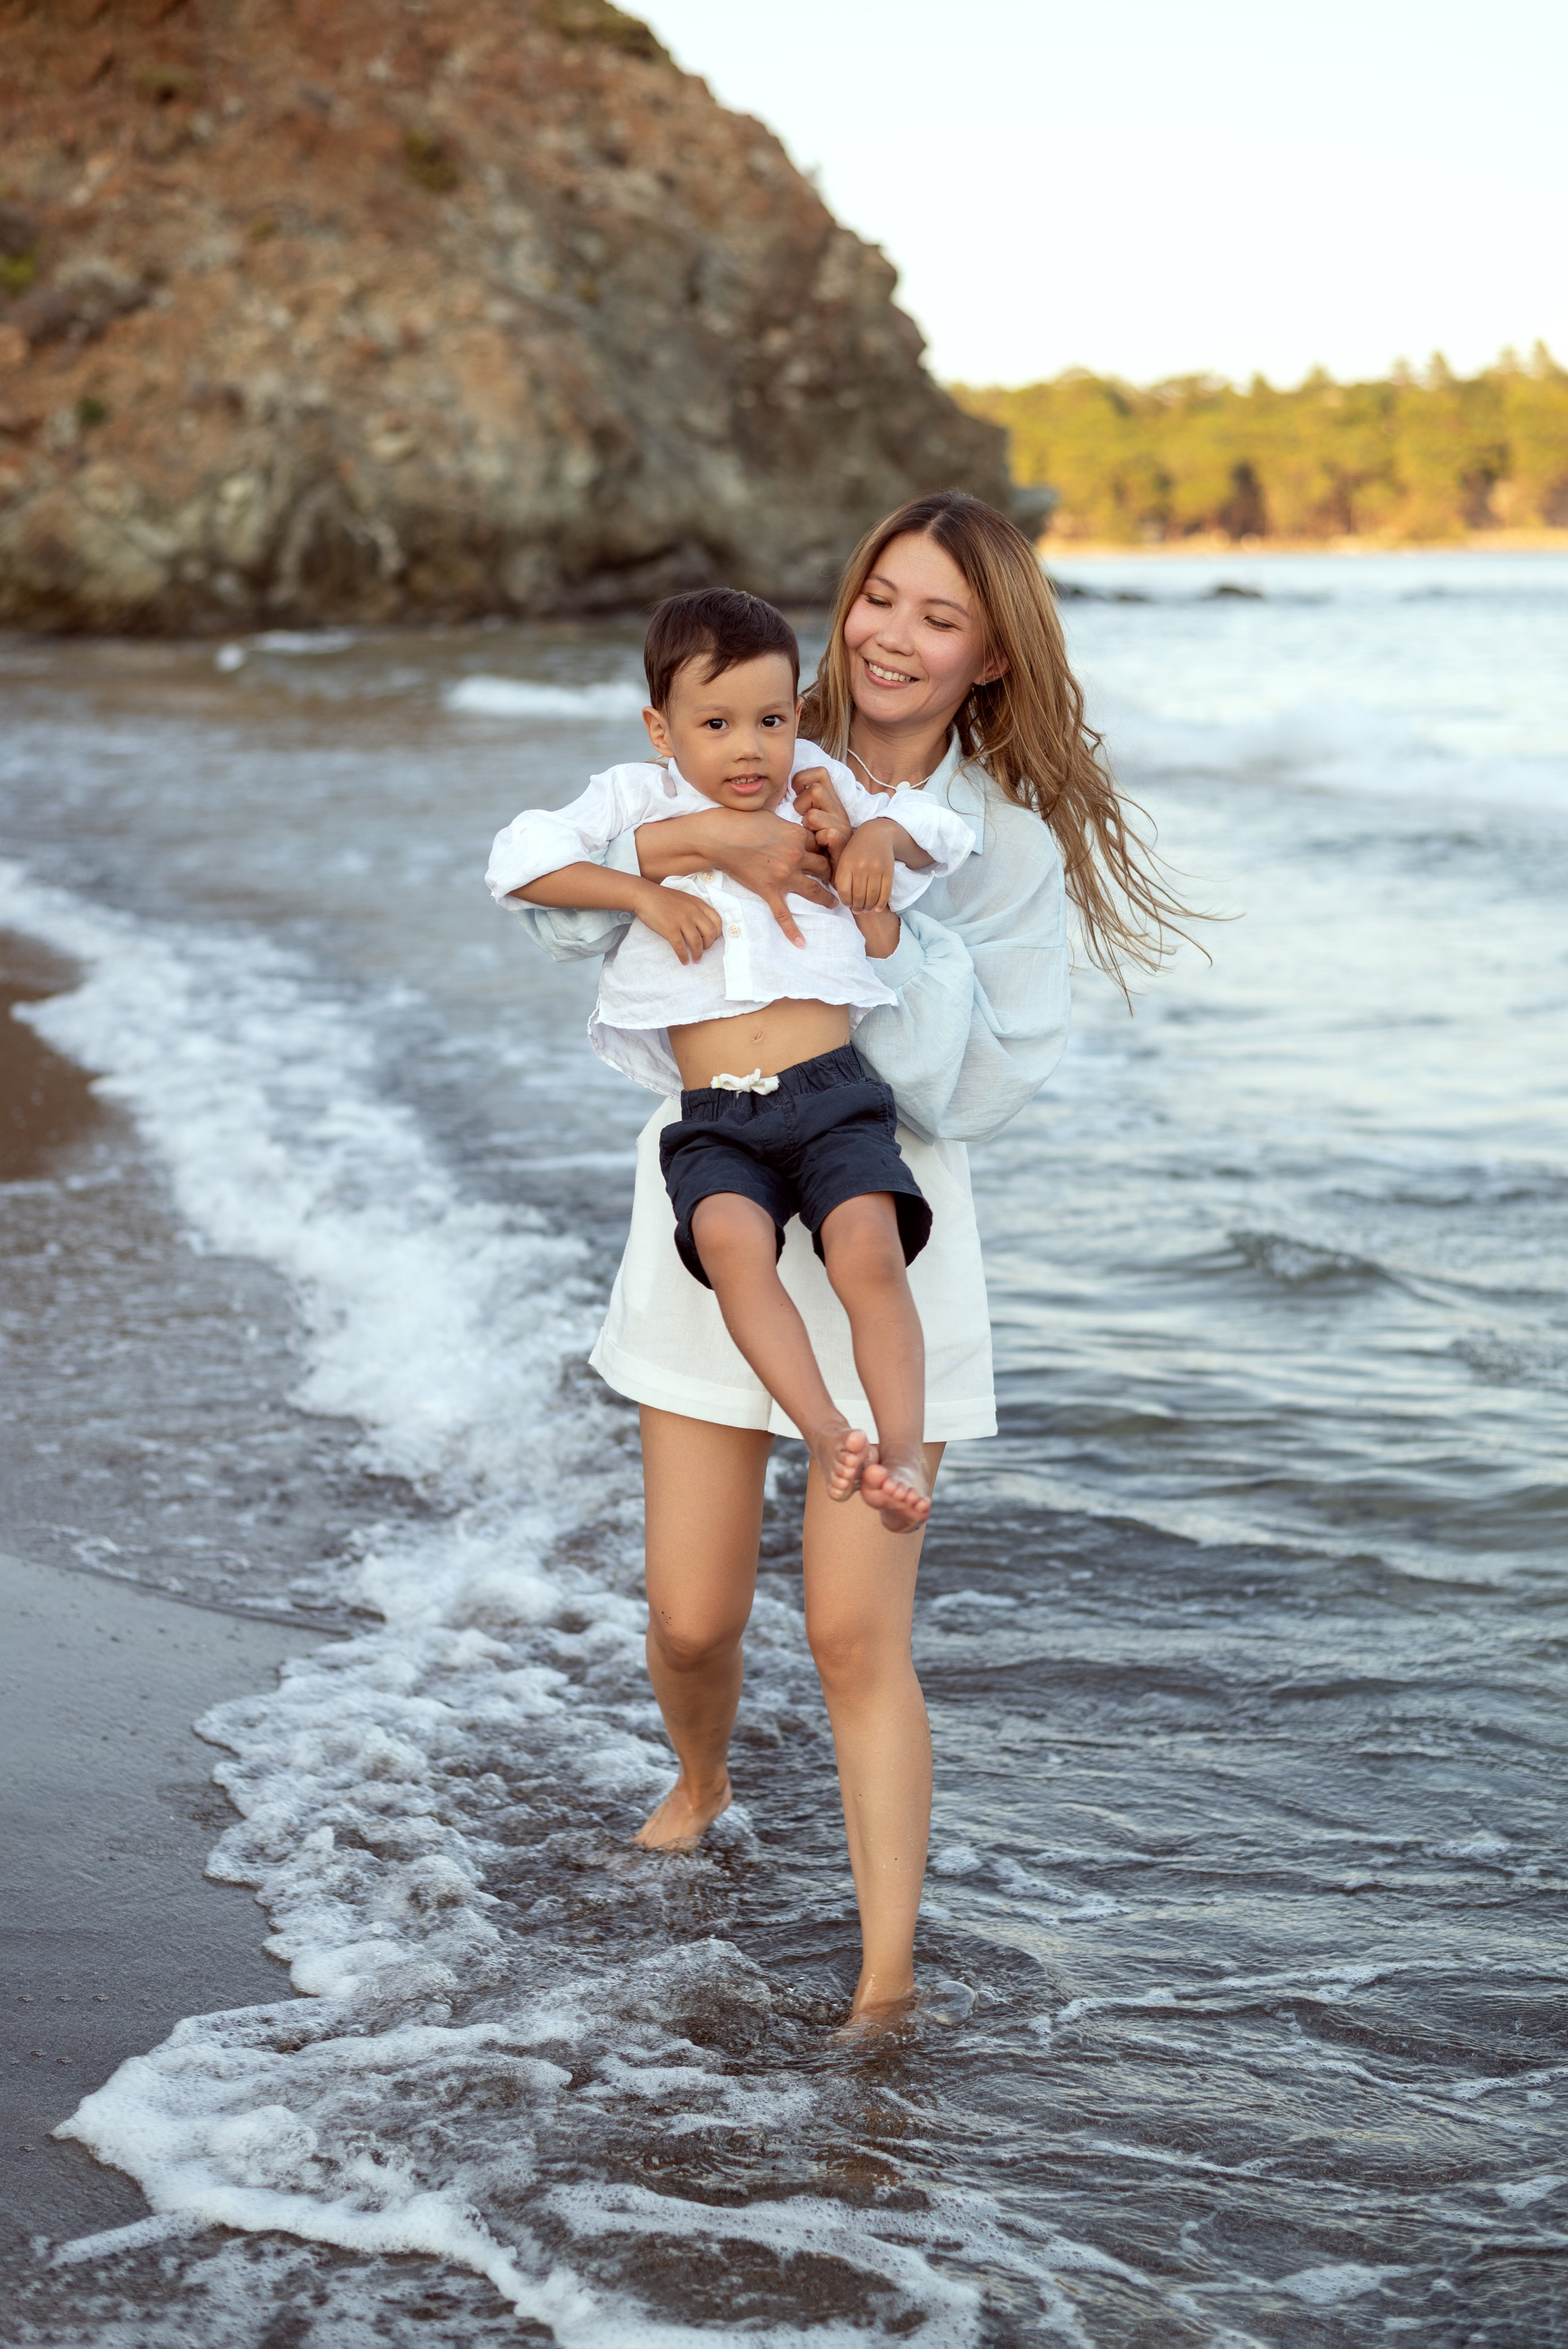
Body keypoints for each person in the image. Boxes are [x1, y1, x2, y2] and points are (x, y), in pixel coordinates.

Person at [503, 492, 1194, 2030]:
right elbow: (567, 917)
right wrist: (698, 841)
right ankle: (701, 1769)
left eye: (938, 617)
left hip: (887, 1213)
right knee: (689, 1616)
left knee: (848, 1629)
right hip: (714, 1202)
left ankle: (883, 1985)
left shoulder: (993, 845)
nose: (890, 634)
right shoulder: (744, 725)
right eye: (880, 595)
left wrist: (880, 909)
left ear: (989, 664)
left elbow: (982, 1091)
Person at [485, 589, 973, 1531]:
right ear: (660, 730)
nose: (750, 748)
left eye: (772, 720)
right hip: (717, 1113)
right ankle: (828, 1430)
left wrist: (877, 833)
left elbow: (945, 832)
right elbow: (518, 861)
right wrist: (641, 890)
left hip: (833, 1094)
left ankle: (903, 1448)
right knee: (729, 1246)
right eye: (717, 723)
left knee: (869, 1252)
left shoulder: (821, 783)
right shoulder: (635, 799)